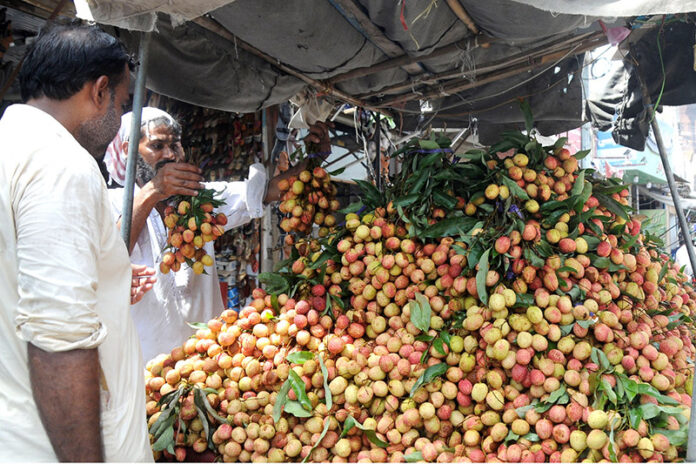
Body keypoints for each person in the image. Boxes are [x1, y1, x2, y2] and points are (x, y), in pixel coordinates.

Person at [0, 22, 153, 462]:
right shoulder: (60, 164)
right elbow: (58, 340)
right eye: (123, 103)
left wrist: (103, 288)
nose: (119, 117)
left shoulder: (13, 147)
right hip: (54, 445)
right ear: (100, 91)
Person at [104, 107, 331, 361]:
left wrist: (314, 159)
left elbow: (266, 191)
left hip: (206, 361)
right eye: (157, 146)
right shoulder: (109, 203)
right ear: (128, 151)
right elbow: (108, 259)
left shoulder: (199, 199)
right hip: (144, 370)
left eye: (175, 146)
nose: (170, 155)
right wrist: (154, 190)